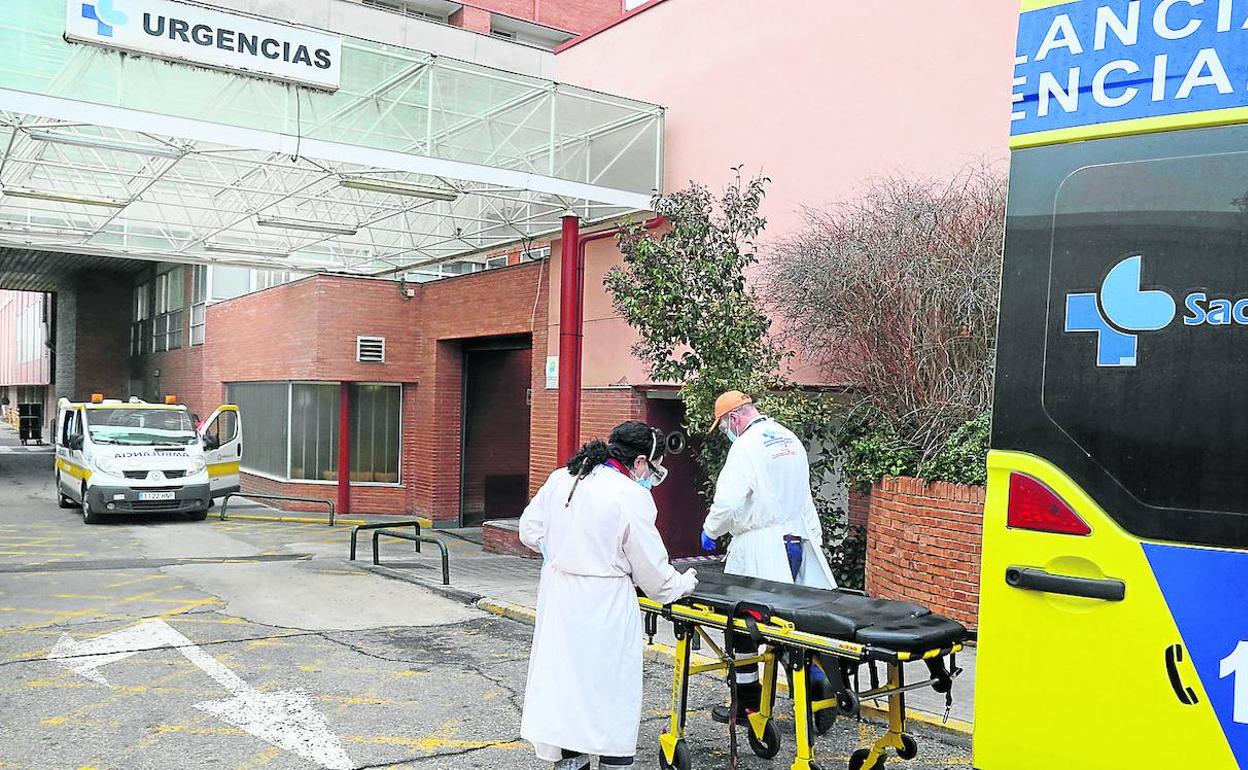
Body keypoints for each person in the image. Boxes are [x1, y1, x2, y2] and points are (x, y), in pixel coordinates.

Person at [519, 421, 699, 770]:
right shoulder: (630, 495)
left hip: (559, 597)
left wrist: (562, 549)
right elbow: (653, 574)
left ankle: (572, 762)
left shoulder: (564, 477)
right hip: (605, 603)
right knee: (609, 692)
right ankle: (614, 762)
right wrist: (683, 584)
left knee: (566, 686)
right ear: (641, 462)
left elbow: (529, 530)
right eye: (656, 469)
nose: (653, 478)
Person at [701, 390, 838, 726]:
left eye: (723, 427)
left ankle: (747, 705)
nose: (725, 434)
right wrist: (813, 540)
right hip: (797, 540)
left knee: (742, 626)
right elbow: (805, 497)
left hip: (760, 547)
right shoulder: (788, 439)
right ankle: (815, 695)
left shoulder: (745, 446)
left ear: (734, 418)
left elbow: (729, 502)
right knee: (798, 625)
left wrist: (711, 531)